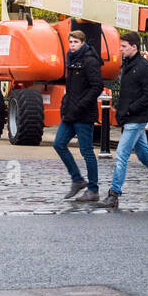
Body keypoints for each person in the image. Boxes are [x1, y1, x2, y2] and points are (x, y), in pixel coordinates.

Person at [96, 31, 148, 208]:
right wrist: (121, 111)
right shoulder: (127, 65)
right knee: (144, 155)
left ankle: (114, 194)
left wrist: (129, 110)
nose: (121, 49)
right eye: (121, 46)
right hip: (130, 117)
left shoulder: (143, 67)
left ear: (134, 47)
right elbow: (127, 93)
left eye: (124, 46)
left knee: (121, 155)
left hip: (136, 118)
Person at [55, 30, 104, 201]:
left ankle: (93, 189)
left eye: (76, 42)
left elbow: (97, 86)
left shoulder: (90, 60)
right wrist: (65, 104)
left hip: (84, 114)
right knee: (58, 143)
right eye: (71, 42)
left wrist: (81, 104)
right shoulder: (71, 58)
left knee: (87, 152)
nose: (72, 45)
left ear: (83, 42)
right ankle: (77, 179)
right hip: (70, 112)